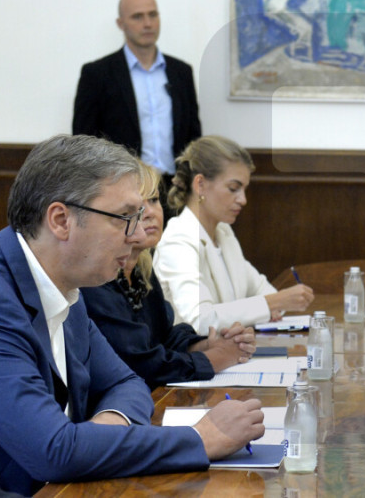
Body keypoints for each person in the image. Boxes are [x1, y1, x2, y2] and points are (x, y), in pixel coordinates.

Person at [0, 135, 263, 495]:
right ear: (60, 220)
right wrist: (200, 438)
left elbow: (127, 383)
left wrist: (107, 425)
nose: (137, 235)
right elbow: (53, 451)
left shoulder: (66, 284)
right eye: (124, 218)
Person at [82, 161, 257, 389]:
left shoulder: (141, 268)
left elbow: (165, 336)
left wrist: (207, 344)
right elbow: (138, 362)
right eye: (135, 207)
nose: (149, 213)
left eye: (154, 200)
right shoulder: (96, 277)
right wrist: (215, 358)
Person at [153, 135, 314, 332]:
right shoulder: (178, 241)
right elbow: (201, 320)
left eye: (244, 189)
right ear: (200, 184)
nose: (243, 200)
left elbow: (264, 292)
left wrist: (273, 303)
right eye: (233, 188)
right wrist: (271, 303)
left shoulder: (224, 233)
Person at [73, 0, 201, 205]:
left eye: (153, 15)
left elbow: (193, 135)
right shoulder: (97, 74)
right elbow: (84, 140)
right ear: (120, 23)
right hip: (121, 190)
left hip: (174, 190)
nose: (148, 23)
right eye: (137, 17)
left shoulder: (181, 72)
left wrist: (188, 182)